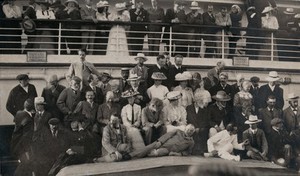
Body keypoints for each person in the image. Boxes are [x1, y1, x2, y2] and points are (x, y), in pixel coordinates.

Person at [129, 124, 195, 159]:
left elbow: (188, 152)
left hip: (168, 150)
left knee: (156, 153)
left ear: (193, 133)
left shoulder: (191, 142)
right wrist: (160, 141)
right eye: (188, 129)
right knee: (148, 148)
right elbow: (167, 135)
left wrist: (178, 154)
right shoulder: (177, 131)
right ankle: (130, 155)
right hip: (162, 143)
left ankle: (148, 154)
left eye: (191, 130)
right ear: (185, 128)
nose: (189, 131)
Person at [10, 99, 35, 176]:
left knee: (24, 165)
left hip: (15, 145)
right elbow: (26, 137)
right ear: (33, 109)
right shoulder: (29, 120)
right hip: (23, 148)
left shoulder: (18, 113)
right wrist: (27, 151)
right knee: (25, 165)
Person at [186, 90, 211, 155]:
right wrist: (194, 127)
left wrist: (199, 128)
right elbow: (188, 119)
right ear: (197, 100)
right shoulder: (189, 108)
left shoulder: (205, 109)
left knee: (203, 130)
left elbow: (206, 120)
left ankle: (201, 150)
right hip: (192, 126)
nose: (203, 103)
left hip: (201, 127)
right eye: (201, 101)